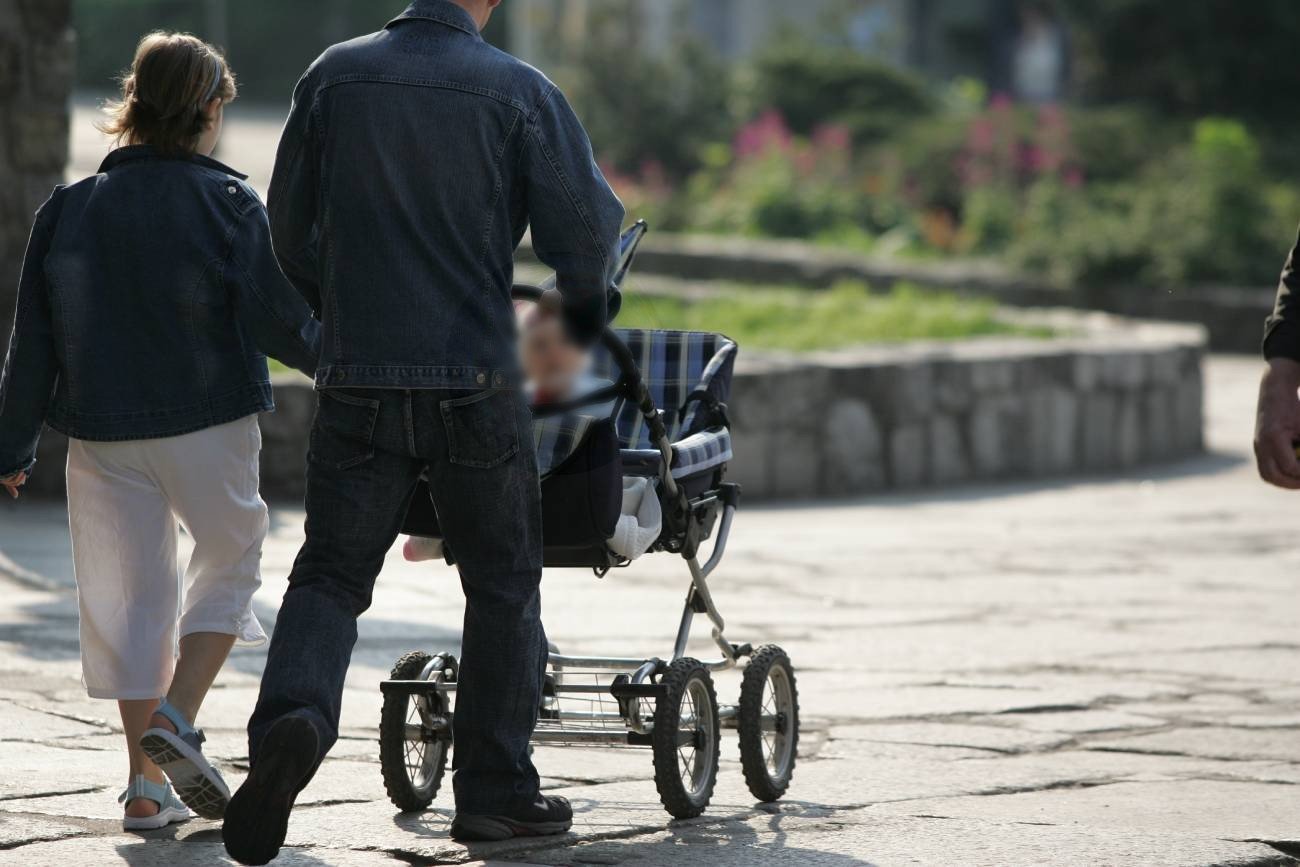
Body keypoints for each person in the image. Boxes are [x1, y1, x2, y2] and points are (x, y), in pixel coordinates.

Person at [220, 0, 623, 862]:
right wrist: (560, 354)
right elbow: (589, 241)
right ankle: (496, 793)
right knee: (502, 583)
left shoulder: (332, 76)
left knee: (329, 575)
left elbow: (286, 232)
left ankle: (291, 722)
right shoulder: (520, 91)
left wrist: (346, 317)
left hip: (358, 375)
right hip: (479, 381)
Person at [0, 32, 321, 830]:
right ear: (208, 109)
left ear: (133, 106)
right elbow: (283, 322)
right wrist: (352, 367)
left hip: (101, 436)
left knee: (130, 602)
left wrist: (10, 445)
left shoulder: (68, 209)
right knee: (232, 555)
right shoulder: (229, 204)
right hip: (207, 425)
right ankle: (176, 717)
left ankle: (145, 789)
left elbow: (30, 340)